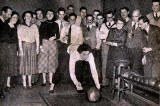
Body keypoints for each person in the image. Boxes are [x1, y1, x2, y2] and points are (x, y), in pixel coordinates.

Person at [38, 9, 60, 93]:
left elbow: (58, 35)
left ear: (53, 15)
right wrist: (40, 46)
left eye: (51, 13)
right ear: (46, 15)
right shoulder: (43, 24)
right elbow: (39, 35)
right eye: (48, 13)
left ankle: (50, 80)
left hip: (53, 44)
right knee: (43, 61)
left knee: (51, 62)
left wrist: (54, 37)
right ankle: (44, 80)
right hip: (44, 43)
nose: (50, 15)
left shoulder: (56, 24)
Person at [17, 11, 39, 88]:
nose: (28, 17)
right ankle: (24, 82)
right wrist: (21, 50)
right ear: (24, 17)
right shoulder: (20, 26)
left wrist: (37, 47)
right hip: (24, 46)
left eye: (30, 16)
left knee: (31, 64)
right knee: (24, 64)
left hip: (32, 46)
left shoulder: (34, 26)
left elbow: (37, 37)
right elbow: (19, 39)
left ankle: (29, 83)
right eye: (27, 16)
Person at [124, 9, 147, 75]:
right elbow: (122, 31)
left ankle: (136, 85)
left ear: (140, 15)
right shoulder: (129, 22)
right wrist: (127, 35)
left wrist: (144, 55)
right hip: (128, 50)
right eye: (133, 16)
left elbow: (145, 41)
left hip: (137, 51)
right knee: (130, 71)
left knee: (136, 71)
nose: (134, 18)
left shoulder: (143, 25)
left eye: (136, 16)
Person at [97, 11, 116, 87]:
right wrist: (108, 36)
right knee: (104, 63)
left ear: (113, 17)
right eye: (107, 17)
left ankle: (114, 82)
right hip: (105, 45)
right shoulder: (103, 25)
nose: (109, 19)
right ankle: (104, 81)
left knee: (113, 63)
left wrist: (105, 35)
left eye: (110, 17)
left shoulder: (117, 24)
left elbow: (116, 37)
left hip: (114, 46)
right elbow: (100, 36)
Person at [2, 11, 19, 92]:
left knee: (11, 66)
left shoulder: (15, 27)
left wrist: (17, 50)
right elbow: (7, 38)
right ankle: (4, 85)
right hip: (7, 48)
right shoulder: (5, 26)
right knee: (6, 66)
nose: (15, 19)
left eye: (16, 17)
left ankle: (8, 84)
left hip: (13, 48)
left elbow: (16, 39)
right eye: (13, 17)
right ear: (10, 17)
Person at [82, 14, 101, 81]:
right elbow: (80, 39)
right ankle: (87, 80)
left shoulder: (96, 29)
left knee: (94, 66)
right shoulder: (83, 28)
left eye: (91, 19)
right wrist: (84, 39)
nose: (89, 21)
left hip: (93, 50)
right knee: (86, 66)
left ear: (93, 20)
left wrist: (96, 48)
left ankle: (96, 81)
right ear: (86, 20)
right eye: (88, 19)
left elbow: (99, 40)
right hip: (85, 50)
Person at [0, 6, 12, 98]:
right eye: (8, 14)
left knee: (3, 69)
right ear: (3, 12)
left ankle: (1, 90)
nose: (9, 16)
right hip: (1, 47)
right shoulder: (3, 24)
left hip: (4, 49)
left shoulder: (6, 23)